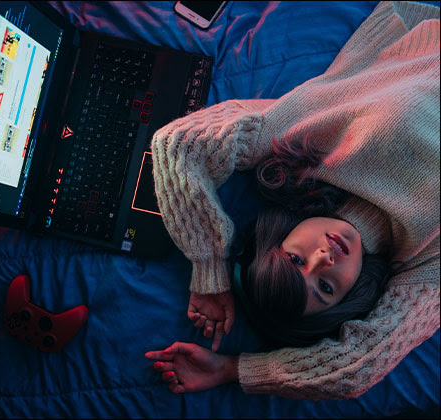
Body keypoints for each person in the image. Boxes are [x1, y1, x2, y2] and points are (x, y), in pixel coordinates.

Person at [145, 1, 440, 399]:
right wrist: (236, 369)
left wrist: (209, 268)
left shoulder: (307, 145)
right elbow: (356, 369)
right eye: (326, 288)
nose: (324, 259)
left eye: (296, 260)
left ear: (277, 239)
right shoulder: (425, 265)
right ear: (351, 294)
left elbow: (177, 146)